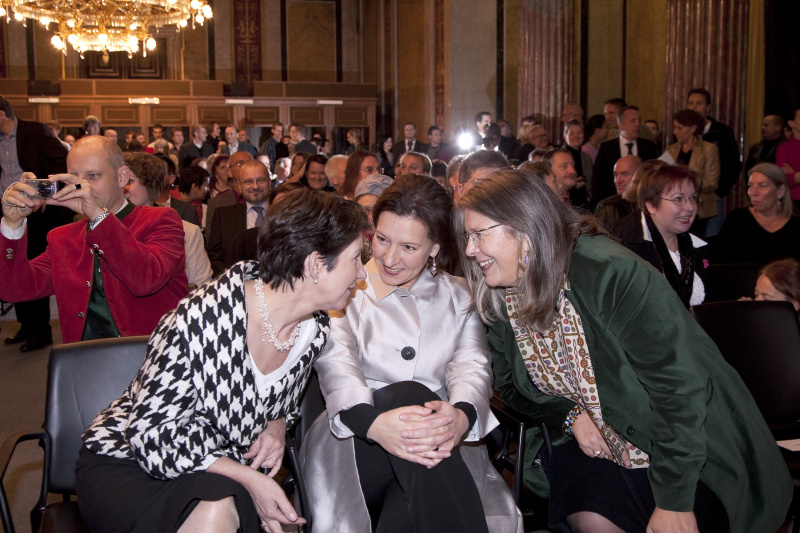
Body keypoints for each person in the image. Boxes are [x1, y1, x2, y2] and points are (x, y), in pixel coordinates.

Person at [456, 169, 791, 533]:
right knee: (594, 517)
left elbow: (677, 388)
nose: (471, 250)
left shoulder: (608, 272)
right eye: (467, 237)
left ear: (524, 225)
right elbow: (509, 385)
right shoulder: (504, 290)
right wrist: (568, 415)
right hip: (588, 441)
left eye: (478, 234)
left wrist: (673, 501)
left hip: (682, 444)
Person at [76, 188, 369, 532]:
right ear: (316, 265)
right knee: (218, 506)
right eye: (355, 259)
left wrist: (275, 426)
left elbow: (281, 406)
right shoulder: (200, 319)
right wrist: (250, 478)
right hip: (131, 463)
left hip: (219, 468)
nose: (363, 274)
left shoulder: (314, 328)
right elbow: (151, 437)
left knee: (220, 503)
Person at [302, 174, 520, 533]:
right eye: (382, 239)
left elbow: (472, 369)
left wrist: (462, 417)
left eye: (408, 247)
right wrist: (376, 425)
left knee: (407, 508)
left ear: (434, 247)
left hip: (442, 438)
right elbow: (337, 369)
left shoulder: (460, 296)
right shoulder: (343, 288)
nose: (388, 258)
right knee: (407, 395)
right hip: (354, 438)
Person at [0, 135, 187, 343]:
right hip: (84, 364)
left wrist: (98, 216)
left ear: (122, 177)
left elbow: (146, 279)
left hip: (155, 362)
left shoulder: (161, 220)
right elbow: (14, 288)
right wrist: (12, 225)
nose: (81, 186)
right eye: (73, 176)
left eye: (92, 176)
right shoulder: (62, 238)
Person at [612, 165, 709, 307]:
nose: (690, 207)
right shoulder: (626, 248)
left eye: (693, 198)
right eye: (678, 199)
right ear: (651, 204)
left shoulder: (699, 247)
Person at [123, 152, 212, 287]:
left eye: (129, 181)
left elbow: (202, 287)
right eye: (118, 180)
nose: (122, 187)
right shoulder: (108, 228)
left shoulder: (187, 230)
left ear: (150, 184)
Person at [714, 162, 800, 265]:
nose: (753, 192)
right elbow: (721, 264)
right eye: (750, 186)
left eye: (762, 186)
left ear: (780, 191)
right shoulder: (737, 219)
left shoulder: (796, 227)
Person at [665, 109, 721, 237]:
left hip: (700, 208)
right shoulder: (671, 149)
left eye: (679, 128)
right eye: (675, 128)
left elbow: (712, 182)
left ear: (693, 128)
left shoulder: (709, 149)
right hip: (674, 206)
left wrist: (685, 185)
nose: (675, 132)